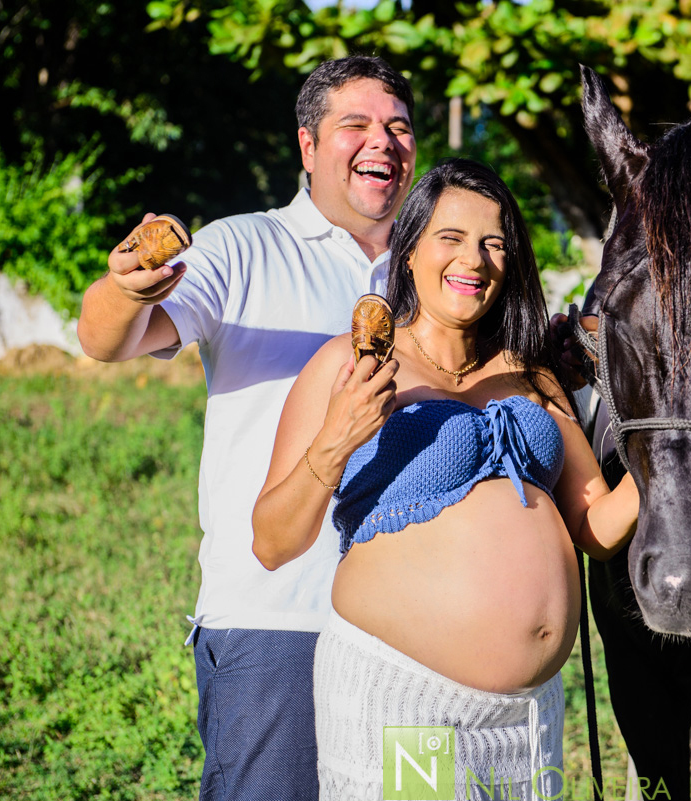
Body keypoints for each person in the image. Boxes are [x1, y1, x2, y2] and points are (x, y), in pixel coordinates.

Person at [75, 56, 416, 800]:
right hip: (277, 620)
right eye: (354, 126)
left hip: (413, 630)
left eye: (397, 127)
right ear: (306, 146)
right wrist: (125, 285)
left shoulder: (434, 270)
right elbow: (107, 339)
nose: (381, 143)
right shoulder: (241, 247)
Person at [252, 158, 640, 800]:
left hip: (527, 719)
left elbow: (595, 528)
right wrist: (336, 441)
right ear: (407, 252)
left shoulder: (532, 375)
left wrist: (665, 454)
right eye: (451, 238)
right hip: (411, 703)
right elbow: (271, 542)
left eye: (494, 243)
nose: (476, 260)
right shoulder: (350, 366)